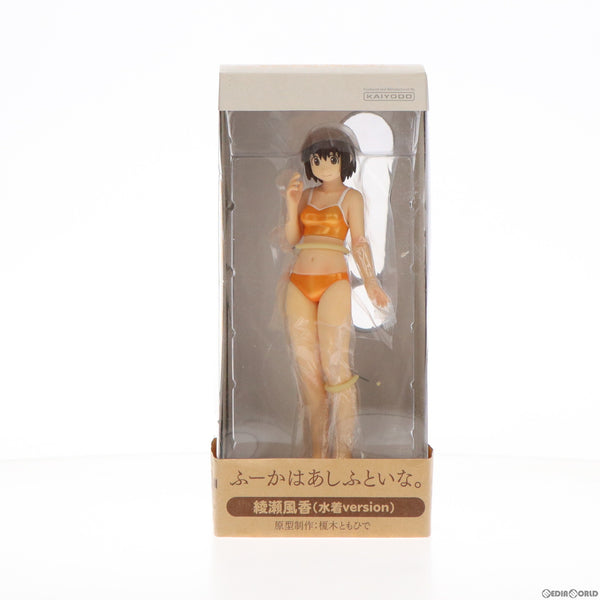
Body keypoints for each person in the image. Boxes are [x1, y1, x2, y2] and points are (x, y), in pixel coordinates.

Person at [284, 124, 389, 458]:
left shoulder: (351, 198)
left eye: (331, 159)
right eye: (317, 160)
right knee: (308, 375)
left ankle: (343, 453)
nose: (324, 166)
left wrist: (370, 281)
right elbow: (291, 240)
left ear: (344, 160)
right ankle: (318, 451)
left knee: (337, 369)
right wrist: (290, 206)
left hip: (334, 282)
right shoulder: (305, 196)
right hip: (298, 283)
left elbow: (359, 242)